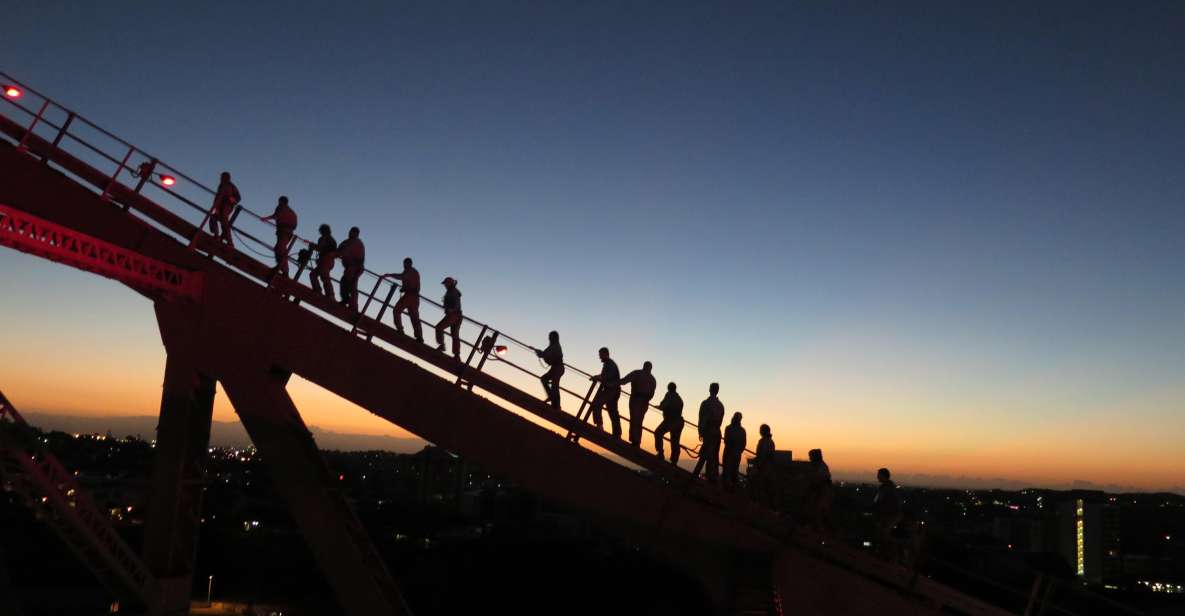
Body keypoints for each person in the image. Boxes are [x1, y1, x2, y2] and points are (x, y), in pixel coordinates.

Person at [618, 361, 657, 447]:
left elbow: (624, 381)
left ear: (644, 366)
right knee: (639, 421)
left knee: (634, 419)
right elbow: (652, 394)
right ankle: (637, 441)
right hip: (645, 402)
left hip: (636, 400)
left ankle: (634, 440)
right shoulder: (653, 379)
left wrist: (613, 382)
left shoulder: (637, 373)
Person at [691, 383, 725, 483]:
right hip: (717, 432)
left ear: (710, 390)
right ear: (717, 391)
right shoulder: (721, 405)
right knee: (714, 456)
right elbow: (720, 421)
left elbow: (702, 418)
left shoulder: (706, 403)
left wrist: (700, 432)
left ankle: (697, 476)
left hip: (708, 431)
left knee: (705, 454)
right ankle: (713, 477)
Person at [587, 347, 622, 438]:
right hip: (614, 390)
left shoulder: (609, 364)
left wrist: (597, 378)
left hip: (611, 390)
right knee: (612, 411)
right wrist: (596, 377)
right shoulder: (609, 364)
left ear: (605, 354)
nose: (599, 357)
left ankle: (599, 426)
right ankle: (617, 434)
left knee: (597, 404)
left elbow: (606, 376)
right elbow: (604, 376)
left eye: (600, 355)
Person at [386, 258, 423, 342]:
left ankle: (400, 329)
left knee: (397, 310)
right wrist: (404, 288)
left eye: (405, 263)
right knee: (414, 317)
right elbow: (406, 279)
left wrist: (389, 275)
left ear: (408, 264)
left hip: (410, 296)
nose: (404, 265)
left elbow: (401, 277)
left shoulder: (410, 271)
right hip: (414, 297)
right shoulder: (411, 271)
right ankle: (419, 337)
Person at [261, 196, 297, 278]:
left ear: (281, 201)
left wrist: (265, 218)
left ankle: (283, 270)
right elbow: (294, 224)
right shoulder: (290, 211)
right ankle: (281, 268)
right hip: (287, 232)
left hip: (284, 231)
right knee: (279, 248)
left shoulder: (282, 208)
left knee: (280, 249)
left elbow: (275, 216)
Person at [872, 467, 902, 562]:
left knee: (884, 533)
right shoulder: (888, 486)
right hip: (890, 514)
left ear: (883, 476)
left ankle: (892, 554)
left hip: (892, 514)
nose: (877, 477)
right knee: (882, 533)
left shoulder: (886, 487)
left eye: (879, 475)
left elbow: (878, 500)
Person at [653, 382, 684, 463]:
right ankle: (674, 460)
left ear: (668, 388)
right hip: (679, 421)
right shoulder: (679, 398)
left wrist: (659, 407)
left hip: (670, 420)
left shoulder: (669, 395)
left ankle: (660, 453)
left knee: (658, 433)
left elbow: (664, 405)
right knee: (675, 441)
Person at [807, 448, 834, 538]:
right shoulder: (817, 466)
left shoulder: (821, 467)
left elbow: (819, 480)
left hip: (824, 491)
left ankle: (825, 533)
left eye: (811, 456)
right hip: (820, 491)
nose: (809, 458)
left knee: (821, 511)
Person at [337, 227, 365, 311]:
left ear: (356, 234)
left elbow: (343, 251)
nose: (350, 233)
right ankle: (350, 303)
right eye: (351, 232)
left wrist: (334, 254)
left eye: (353, 232)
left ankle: (351, 304)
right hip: (351, 267)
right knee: (348, 285)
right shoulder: (348, 241)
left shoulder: (355, 243)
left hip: (354, 267)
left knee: (348, 284)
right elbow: (339, 250)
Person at [534, 331, 564, 409]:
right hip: (555, 368)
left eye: (551, 337)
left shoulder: (555, 346)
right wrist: (541, 353)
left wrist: (542, 355)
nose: (549, 338)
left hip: (558, 368)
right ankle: (552, 399)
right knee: (545, 380)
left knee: (554, 385)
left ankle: (556, 405)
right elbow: (546, 355)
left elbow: (549, 357)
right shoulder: (553, 346)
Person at [209, 172, 240, 246]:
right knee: (213, 218)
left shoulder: (231, 186)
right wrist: (215, 206)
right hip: (219, 206)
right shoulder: (221, 186)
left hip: (227, 206)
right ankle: (216, 235)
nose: (221, 178)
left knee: (224, 221)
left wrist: (232, 199)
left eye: (222, 177)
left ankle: (230, 241)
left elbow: (238, 197)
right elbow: (218, 196)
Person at [435, 277, 463, 357]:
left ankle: (442, 346)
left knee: (439, 327)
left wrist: (451, 309)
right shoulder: (453, 291)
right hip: (457, 315)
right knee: (455, 335)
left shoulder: (452, 291)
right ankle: (457, 354)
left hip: (453, 315)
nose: (445, 285)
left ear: (449, 283)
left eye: (445, 283)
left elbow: (456, 303)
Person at [752, 424, 776, 505]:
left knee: (761, 486)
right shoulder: (771, 441)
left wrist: (759, 464)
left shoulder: (763, 441)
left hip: (763, 467)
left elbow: (763, 455)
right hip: (767, 467)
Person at [722, 412, 747, 491]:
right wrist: (739, 451)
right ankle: (733, 489)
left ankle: (726, 488)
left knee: (727, 469)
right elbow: (744, 443)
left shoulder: (728, 428)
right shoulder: (742, 430)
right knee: (734, 470)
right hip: (737, 453)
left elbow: (726, 440)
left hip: (729, 452)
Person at [310, 224, 337, 299]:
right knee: (313, 275)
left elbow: (322, 249)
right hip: (326, 261)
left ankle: (330, 295)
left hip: (326, 260)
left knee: (324, 277)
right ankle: (319, 290)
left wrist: (313, 246)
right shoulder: (330, 239)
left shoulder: (326, 239)